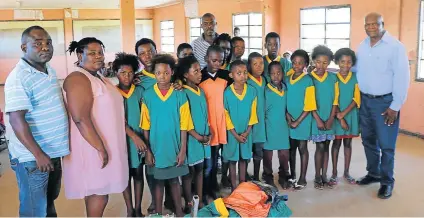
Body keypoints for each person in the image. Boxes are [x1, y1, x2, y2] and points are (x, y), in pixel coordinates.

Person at [5, 26, 69, 217]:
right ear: (24, 47)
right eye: (38, 43)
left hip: (51, 153)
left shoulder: (48, 70)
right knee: (34, 209)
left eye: (48, 43)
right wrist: (38, 154)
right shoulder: (19, 77)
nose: (45, 47)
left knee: (48, 202)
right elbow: (17, 120)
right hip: (32, 158)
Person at [63, 37, 128, 217]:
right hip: (91, 146)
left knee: (97, 193)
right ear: (79, 54)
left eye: (100, 52)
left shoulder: (97, 77)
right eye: (92, 53)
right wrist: (100, 148)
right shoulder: (78, 78)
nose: (98, 56)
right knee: (98, 195)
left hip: (102, 144)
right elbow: (80, 118)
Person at [355, 13, 410, 199]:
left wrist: (395, 105)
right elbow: (357, 70)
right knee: (368, 141)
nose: (371, 27)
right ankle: (374, 173)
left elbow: (402, 77)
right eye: (367, 24)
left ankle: (387, 182)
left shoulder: (395, 47)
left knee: (386, 145)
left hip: (385, 103)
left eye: (375, 24)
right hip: (365, 101)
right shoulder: (362, 46)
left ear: (382, 25)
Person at [140, 54, 192, 217]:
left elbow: (185, 125)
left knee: (174, 181)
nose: (162, 76)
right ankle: (158, 212)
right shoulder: (148, 95)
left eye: (166, 73)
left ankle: (178, 211)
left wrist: (182, 150)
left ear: (172, 73)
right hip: (156, 147)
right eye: (158, 73)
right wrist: (148, 151)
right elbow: (145, 126)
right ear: (154, 74)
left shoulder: (180, 94)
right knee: (157, 182)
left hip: (174, 146)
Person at [113, 52, 148, 217]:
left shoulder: (140, 91)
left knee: (138, 174)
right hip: (122, 141)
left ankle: (138, 207)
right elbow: (115, 119)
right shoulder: (112, 93)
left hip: (140, 141)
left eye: (130, 72)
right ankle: (129, 209)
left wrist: (140, 138)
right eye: (122, 73)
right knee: (125, 176)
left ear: (135, 73)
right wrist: (133, 136)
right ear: (116, 73)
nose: (126, 76)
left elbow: (146, 117)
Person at [175, 56, 211, 212]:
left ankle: (200, 199)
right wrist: (197, 136)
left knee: (200, 169)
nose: (199, 73)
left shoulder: (200, 90)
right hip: (192, 139)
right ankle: (189, 203)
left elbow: (204, 114)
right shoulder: (182, 92)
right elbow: (184, 120)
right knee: (188, 174)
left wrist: (208, 133)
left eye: (199, 70)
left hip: (203, 137)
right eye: (195, 71)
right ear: (185, 75)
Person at [199, 45, 231, 199]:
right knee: (208, 161)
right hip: (207, 124)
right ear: (206, 59)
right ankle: (205, 188)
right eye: (214, 60)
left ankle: (214, 185)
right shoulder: (200, 77)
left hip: (221, 124)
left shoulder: (226, 76)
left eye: (220, 60)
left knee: (217, 156)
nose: (217, 63)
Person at [223, 60, 258, 191]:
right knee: (232, 160)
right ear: (231, 75)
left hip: (245, 133)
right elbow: (225, 115)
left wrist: (247, 131)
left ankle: (242, 186)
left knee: (243, 159)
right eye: (239, 73)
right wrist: (234, 134)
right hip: (232, 134)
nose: (243, 76)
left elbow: (253, 114)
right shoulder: (227, 93)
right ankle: (233, 187)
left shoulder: (252, 91)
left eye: (245, 73)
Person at [329, 48, 360, 186]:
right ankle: (334, 173)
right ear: (337, 62)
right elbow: (331, 99)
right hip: (337, 116)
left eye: (349, 62)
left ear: (352, 63)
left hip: (351, 115)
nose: (346, 65)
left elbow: (356, 98)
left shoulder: (356, 77)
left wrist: (344, 114)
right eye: (342, 62)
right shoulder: (333, 78)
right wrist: (340, 117)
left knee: (348, 143)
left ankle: (346, 172)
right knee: (336, 144)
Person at [286, 49, 316, 190]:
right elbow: (284, 98)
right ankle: (292, 175)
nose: (296, 66)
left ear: (305, 64)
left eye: (300, 63)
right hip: (289, 121)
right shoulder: (287, 78)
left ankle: (302, 177)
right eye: (294, 63)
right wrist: (287, 116)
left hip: (302, 121)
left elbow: (310, 104)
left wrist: (297, 121)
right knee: (291, 148)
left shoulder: (308, 80)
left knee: (302, 148)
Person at [309, 45, 338, 190]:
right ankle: (317, 176)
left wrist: (331, 118)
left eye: (325, 62)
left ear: (329, 63)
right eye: (318, 62)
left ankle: (325, 175)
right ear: (313, 61)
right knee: (319, 147)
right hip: (316, 119)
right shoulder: (309, 78)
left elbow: (335, 100)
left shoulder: (333, 78)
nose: (321, 65)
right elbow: (308, 101)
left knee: (327, 146)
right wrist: (318, 118)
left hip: (329, 118)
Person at [263, 61, 290, 189]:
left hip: (283, 126)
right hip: (269, 126)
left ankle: (283, 175)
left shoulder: (285, 88)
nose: (276, 76)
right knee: (268, 154)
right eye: (273, 73)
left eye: (278, 72)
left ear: (283, 73)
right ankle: (268, 175)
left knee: (284, 153)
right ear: (269, 75)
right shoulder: (266, 90)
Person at [246, 52, 266, 181]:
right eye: (255, 64)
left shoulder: (264, 80)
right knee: (246, 152)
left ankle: (257, 176)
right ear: (249, 66)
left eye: (261, 64)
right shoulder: (245, 80)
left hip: (261, 124)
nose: (259, 67)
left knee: (259, 152)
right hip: (247, 123)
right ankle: (244, 175)